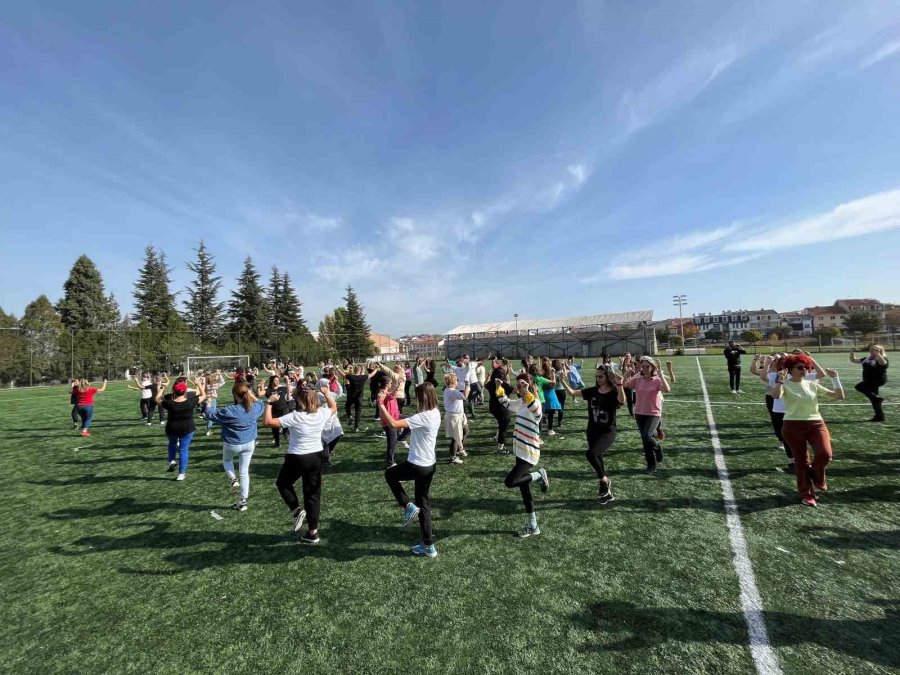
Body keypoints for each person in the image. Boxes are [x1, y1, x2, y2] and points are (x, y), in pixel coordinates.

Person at [265, 382, 337, 544]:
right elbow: (334, 408)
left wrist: (269, 402)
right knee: (313, 495)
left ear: (298, 399)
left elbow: (268, 422)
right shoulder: (322, 413)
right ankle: (313, 533)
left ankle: (297, 511)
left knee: (283, 483)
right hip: (316, 457)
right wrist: (326, 394)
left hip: (297, 457)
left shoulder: (295, 416)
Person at [772, 354, 845, 507]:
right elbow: (776, 395)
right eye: (800, 367)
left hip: (816, 423)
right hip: (792, 425)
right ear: (790, 369)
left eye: (806, 367)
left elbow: (839, 396)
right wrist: (780, 379)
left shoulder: (812, 384)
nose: (804, 370)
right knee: (801, 461)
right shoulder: (785, 384)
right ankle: (807, 494)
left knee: (825, 454)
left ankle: (816, 476)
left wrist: (835, 378)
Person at [379, 382, 441, 557]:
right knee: (424, 504)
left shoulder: (423, 417)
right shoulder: (435, 413)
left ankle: (407, 506)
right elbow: (411, 420)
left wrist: (381, 404)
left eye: (417, 396)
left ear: (422, 398)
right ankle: (428, 546)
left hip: (417, 465)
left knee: (389, 474)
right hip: (430, 465)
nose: (414, 399)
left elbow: (393, 424)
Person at [562, 364, 625, 503]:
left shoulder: (614, 391)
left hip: (608, 431)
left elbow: (621, 401)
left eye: (601, 376)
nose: (598, 379)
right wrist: (562, 381)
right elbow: (572, 393)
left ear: (608, 376)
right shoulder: (593, 391)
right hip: (592, 430)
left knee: (591, 454)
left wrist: (620, 385)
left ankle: (604, 480)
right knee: (597, 456)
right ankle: (607, 493)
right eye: (597, 376)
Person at [496, 373, 549, 537]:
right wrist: (499, 387)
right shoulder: (520, 402)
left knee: (510, 482)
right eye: (518, 386)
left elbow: (537, 413)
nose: (519, 389)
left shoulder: (536, 403)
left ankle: (539, 474)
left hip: (529, 453)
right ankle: (533, 525)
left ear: (529, 385)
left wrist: (527, 391)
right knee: (524, 490)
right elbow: (506, 402)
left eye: (523, 385)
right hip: (520, 452)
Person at [201, 379, 265, 511]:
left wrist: (208, 400)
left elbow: (209, 415)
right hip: (249, 443)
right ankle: (243, 501)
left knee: (227, 460)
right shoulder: (255, 408)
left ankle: (232, 479)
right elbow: (261, 403)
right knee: (244, 472)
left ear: (235, 396)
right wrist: (250, 393)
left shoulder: (230, 410)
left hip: (232, 443)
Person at [623, 357, 671, 474]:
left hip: (653, 413)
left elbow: (667, 389)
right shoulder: (638, 378)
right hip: (639, 412)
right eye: (643, 366)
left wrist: (661, 375)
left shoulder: (657, 379)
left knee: (647, 436)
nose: (644, 369)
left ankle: (658, 448)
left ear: (652, 367)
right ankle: (651, 465)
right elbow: (625, 385)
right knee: (645, 440)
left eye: (647, 366)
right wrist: (626, 374)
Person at [155, 378, 203, 480]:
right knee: (183, 450)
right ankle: (181, 474)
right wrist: (198, 384)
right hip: (187, 429)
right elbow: (204, 396)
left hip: (172, 428)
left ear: (174, 392)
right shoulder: (191, 402)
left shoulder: (169, 403)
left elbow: (158, 399)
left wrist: (162, 387)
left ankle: (172, 460)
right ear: (185, 391)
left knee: (172, 444)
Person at [850, 345, 889, 422]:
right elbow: (853, 360)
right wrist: (852, 352)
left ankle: (876, 399)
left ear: (880, 351)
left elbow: (883, 363)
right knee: (874, 399)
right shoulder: (866, 359)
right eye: (871, 350)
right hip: (868, 381)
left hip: (878, 380)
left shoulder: (883, 358)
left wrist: (878, 354)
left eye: (874, 350)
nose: (871, 351)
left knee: (859, 387)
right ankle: (879, 417)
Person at [485, 360, 513, 454]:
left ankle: (497, 436)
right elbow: (514, 391)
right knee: (503, 427)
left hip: (493, 407)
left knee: (501, 423)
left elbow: (486, 384)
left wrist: (488, 377)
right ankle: (500, 447)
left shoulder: (490, 383)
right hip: (502, 408)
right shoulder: (504, 384)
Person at [443, 373, 469, 464]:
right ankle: (453, 457)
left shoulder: (449, 390)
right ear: (452, 381)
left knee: (466, 431)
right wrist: (467, 385)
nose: (458, 381)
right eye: (456, 380)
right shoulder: (452, 391)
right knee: (455, 438)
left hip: (459, 415)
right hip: (454, 416)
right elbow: (465, 396)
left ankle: (459, 449)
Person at [265, 375, 291, 447]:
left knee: (286, 424)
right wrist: (260, 386)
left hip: (284, 409)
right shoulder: (268, 390)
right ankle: (277, 442)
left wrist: (287, 380)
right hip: (274, 411)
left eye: (278, 380)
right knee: (275, 427)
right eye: (275, 380)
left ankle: (286, 434)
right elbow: (259, 394)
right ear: (271, 381)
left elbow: (289, 389)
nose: (277, 381)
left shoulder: (282, 388)